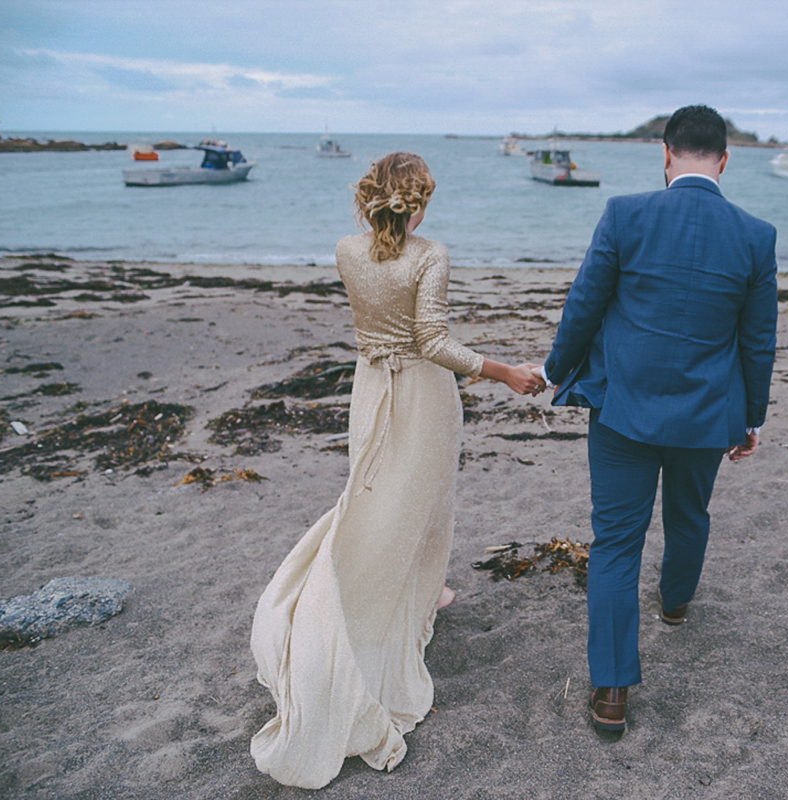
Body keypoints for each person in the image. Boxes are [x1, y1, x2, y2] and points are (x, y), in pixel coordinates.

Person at [250, 152, 543, 788]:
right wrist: (506, 371)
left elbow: (379, 321)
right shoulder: (430, 253)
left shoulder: (345, 250)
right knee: (424, 498)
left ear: (369, 198)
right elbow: (433, 342)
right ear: (421, 202)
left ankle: (424, 588)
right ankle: (402, 597)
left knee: (377, 495)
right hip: (420, 393)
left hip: (369, 390)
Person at [536, 105, 778, 732]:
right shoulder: (756, 235)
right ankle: (674, 605)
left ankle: (612, 692)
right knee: (689, 514)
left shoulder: (626, 214)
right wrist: (753, 416)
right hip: (705, 417)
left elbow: (585, 301)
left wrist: (556, 368)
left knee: (616, 544)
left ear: (666, 154)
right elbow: (758, 341)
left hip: (624, 412)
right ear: (724, 159)